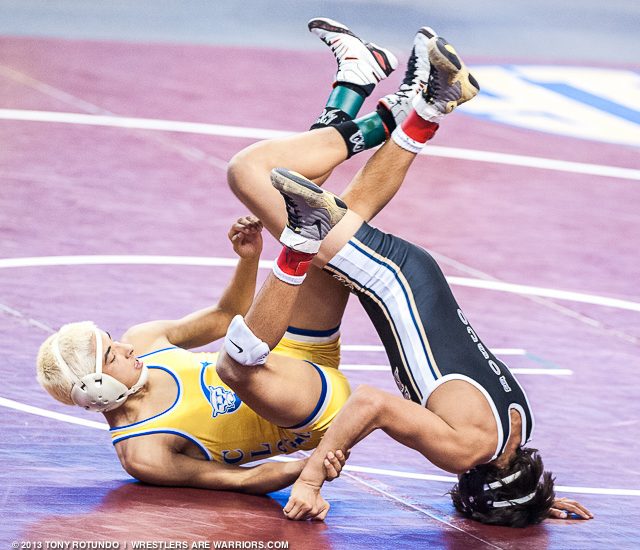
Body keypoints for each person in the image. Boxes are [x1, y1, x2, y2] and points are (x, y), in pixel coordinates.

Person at [221, 24, 593, 526]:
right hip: (386, 280)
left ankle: (422, 105)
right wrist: (311, 477)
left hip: (415, 276)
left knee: (349, 205)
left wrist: (537, 503)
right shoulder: (466, 452)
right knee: (247, 172)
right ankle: (399, 109)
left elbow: (510, 476)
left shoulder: (518, 426)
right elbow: (371, 403)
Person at [34, 17, 403, 494]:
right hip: (302, 407)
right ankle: (392, 105)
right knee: (312, 221)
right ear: (96, 389)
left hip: (283, 350)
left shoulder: (144, 340)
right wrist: (312, 469)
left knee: (315, 216)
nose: (124, 346)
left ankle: (381, 95)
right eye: (111, 355)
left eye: (111, 340)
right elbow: (243, 481)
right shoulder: (145, 452)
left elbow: (226, 316)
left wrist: (248, 258)